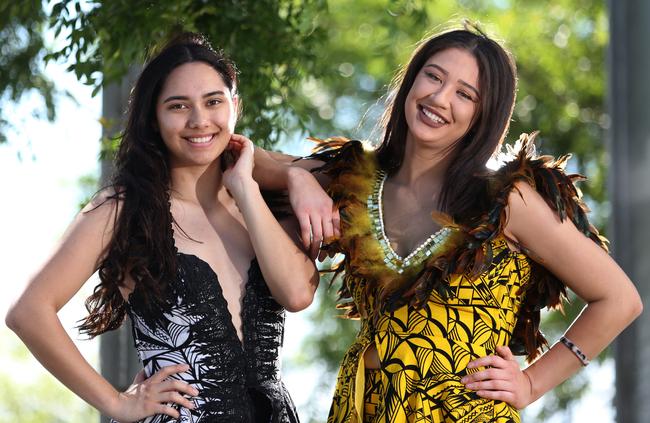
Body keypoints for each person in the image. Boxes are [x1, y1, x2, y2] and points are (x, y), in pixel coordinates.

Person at [253, 24, 642, 422]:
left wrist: (531, 384)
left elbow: (619, 299)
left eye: (464, 94)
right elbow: (236, 155)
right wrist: (295, 176)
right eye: (433, 76)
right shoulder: (354, 179)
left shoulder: (507, 200)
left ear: (483, 115)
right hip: (363, 410)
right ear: (411, 79)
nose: (439, 98)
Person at [5, 33, 318, 423]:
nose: (199, 120)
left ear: (235, 106)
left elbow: (296, 294)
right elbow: (28, 312)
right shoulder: (123, 210)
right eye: (178, 106)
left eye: (213, 101)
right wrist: (117, 402)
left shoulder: (262, 206)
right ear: (154, 118)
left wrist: (275, 181)